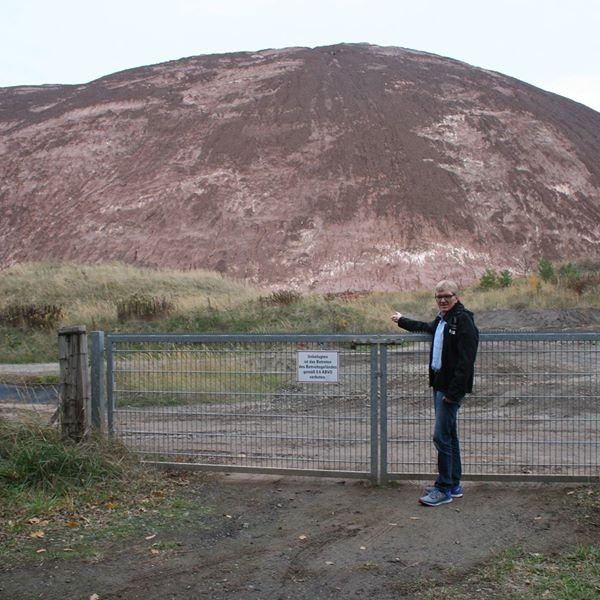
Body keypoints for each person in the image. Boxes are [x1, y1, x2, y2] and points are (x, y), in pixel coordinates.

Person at [391, 280, 479, 506]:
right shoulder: (443, 319)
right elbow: (426, 327)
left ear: (456, 296)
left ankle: (443, 488)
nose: (442, 300)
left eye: (446, 296)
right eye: (438, 297)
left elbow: (465, 363)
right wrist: (402, 321)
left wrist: (453, 393)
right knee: (450, 436)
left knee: (440, 437)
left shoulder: (463, 321)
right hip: (440, 385)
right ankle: (454, 484)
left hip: (449, 389)